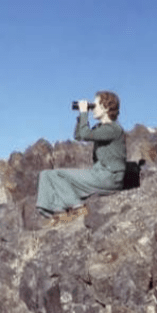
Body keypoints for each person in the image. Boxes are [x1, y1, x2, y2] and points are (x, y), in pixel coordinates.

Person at [36, 91, 127, 222]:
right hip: (100, 174)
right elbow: (79, 136)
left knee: (58, 175)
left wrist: (85, 112)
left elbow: (85, 134)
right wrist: (81, 116)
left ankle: (77, 207)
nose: (92, 108)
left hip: (109, 177)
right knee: (46, 175)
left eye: (95, 105)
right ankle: (58, 212)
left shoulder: (113, 129)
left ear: (106, 108)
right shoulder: (101, 128)